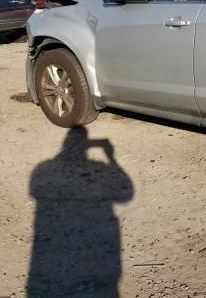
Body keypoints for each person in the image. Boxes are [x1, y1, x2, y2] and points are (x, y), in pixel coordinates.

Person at [27, 127, 133, 297]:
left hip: (51, 249)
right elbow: (126, 194)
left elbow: (35, 193)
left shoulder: (43, 168)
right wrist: (111, 157)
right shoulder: (98, 166)